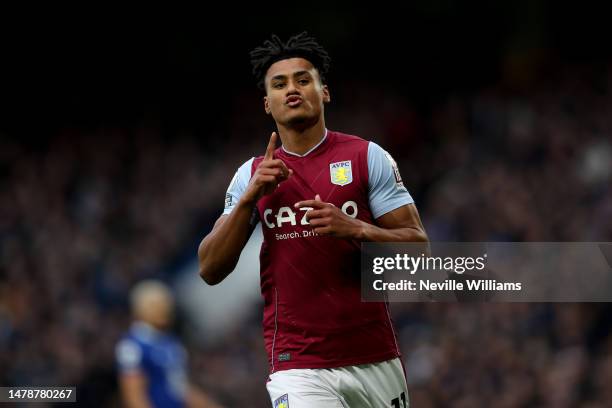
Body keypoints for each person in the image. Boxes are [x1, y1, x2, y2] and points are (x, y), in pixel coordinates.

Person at [198, 32, 428, 408]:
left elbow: (421, 252)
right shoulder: (251, 175)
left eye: (303, 80)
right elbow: (209, 268)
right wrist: (248, 200)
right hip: (297, 364)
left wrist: (355, 228)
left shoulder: (367, 157)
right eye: (280, 83)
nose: (292, 89)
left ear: (324, 92)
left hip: (374, 357)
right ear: (267, 104)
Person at [115, 280, 222, 408]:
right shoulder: (132, 345)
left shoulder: (170, 343)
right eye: (156, 304)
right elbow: (134, 396)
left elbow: (180, 389)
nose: (165, 308)